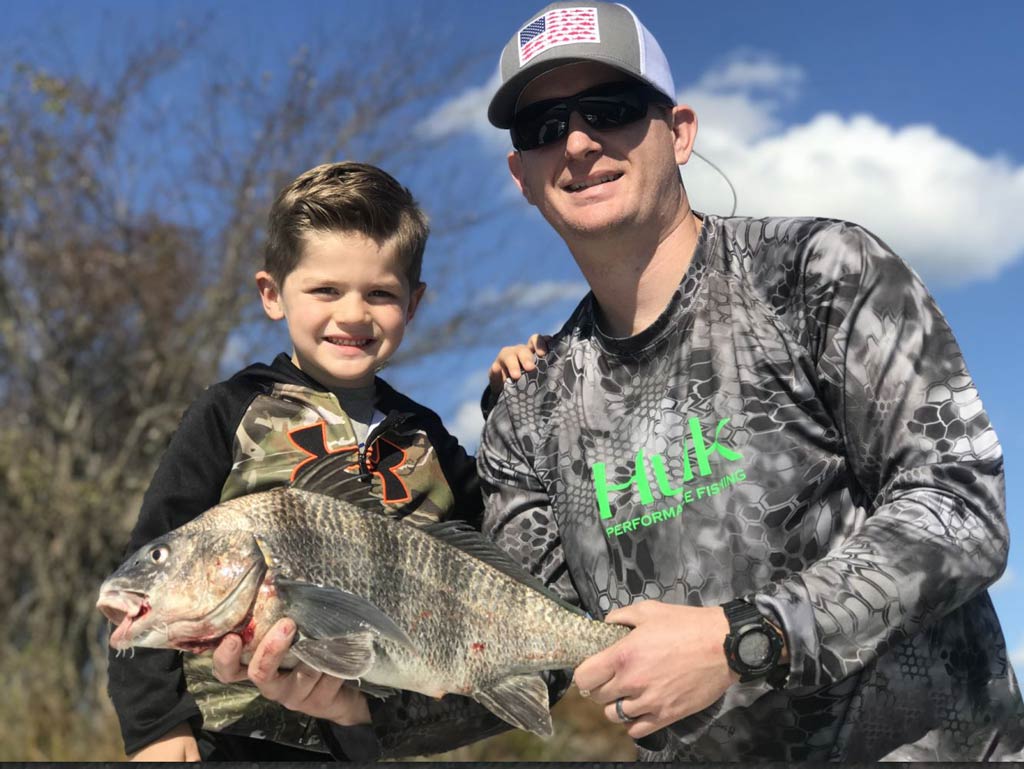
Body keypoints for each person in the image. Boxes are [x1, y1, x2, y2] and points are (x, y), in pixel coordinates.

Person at [473, 0, 1024, 762]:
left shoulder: (820, 273)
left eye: (611, 108)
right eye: (542, 126)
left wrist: (745, 639)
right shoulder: (525, 413)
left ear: (682, 130)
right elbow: (522, 650)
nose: (576, 140)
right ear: (521, 176)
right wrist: (329, 689)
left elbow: (960, 507)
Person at [107, 161, 542, 761]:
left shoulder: (425, 434)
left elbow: (502, 530)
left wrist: (513, 402)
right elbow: (160, 566)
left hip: (363, 740)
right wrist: (157, 727)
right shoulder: (228, 410)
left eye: (381, 293)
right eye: (325, 290)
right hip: (230, 737)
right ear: (272, 294)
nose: (353, 314)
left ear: (413, 305)